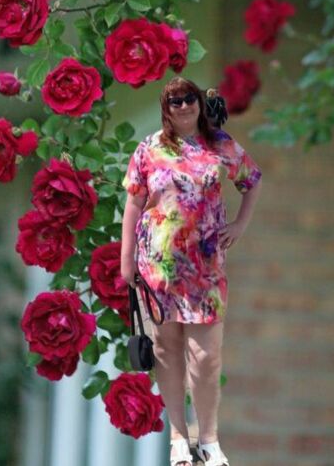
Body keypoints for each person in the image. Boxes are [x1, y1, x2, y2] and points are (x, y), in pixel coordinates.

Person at [120, 76, 262, 466]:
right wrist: (126, 259)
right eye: (174, 101)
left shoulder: (221, 145)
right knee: (167, 350)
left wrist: (240, 225)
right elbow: (133, 203)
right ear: (165, 109)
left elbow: (252, 181)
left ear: (199, 102)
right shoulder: (150, 148)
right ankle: (179, 438)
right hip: (158, 268)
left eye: (188, 99)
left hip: (206, 268)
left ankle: (209, 438)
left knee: (206, 357)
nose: (183, 106)